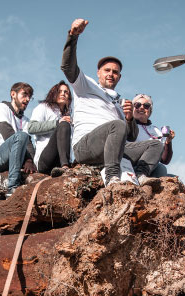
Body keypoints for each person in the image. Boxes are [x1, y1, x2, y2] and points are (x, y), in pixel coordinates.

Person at [62, 18, 158, 186]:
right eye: (107, 70)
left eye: (115, 72)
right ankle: (112, 177)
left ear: (119, 77)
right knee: (117, 125)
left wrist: (129, 118)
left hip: (114, 149)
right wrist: (73, 37)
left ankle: (141, 175)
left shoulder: (120, 102)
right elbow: (67, 67)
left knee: (155, 144)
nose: (110, 74)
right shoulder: (86, 85)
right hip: (86, 147)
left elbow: (131, 136)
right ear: (98, 73)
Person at [0, 82, 38, 197]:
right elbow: (7, 133)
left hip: (14, 157)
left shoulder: (25, 119)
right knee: (21, 136)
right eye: (24, 94)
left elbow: (28, 143)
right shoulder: (1, 108)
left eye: (30, 96)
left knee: (25, 138)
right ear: (13, 94)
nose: (27, 99)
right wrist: (26, 159)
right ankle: (12, 187)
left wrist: (30, 161)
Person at [28, 81, 72, 175]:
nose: (63, 94)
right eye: (60, 91)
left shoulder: (68, 116)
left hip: (59, 160)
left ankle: (66, 163)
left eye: (66, 92)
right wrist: (57, 123)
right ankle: (65, 166)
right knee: (63, 124)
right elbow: (31, 127)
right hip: (44, 160)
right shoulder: (43, 107)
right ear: (54, 93)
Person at [128, 93, 176, 178]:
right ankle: (139, 177)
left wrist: (168, 142)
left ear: (150, 110)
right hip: (130, 163)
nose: (141, 107)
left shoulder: (156, 131)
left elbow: (164, 160)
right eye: (137, 105)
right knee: (161, 169)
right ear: (132, 108)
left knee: (169, 175)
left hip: (149, 167)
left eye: (146, 106)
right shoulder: (127, 123)